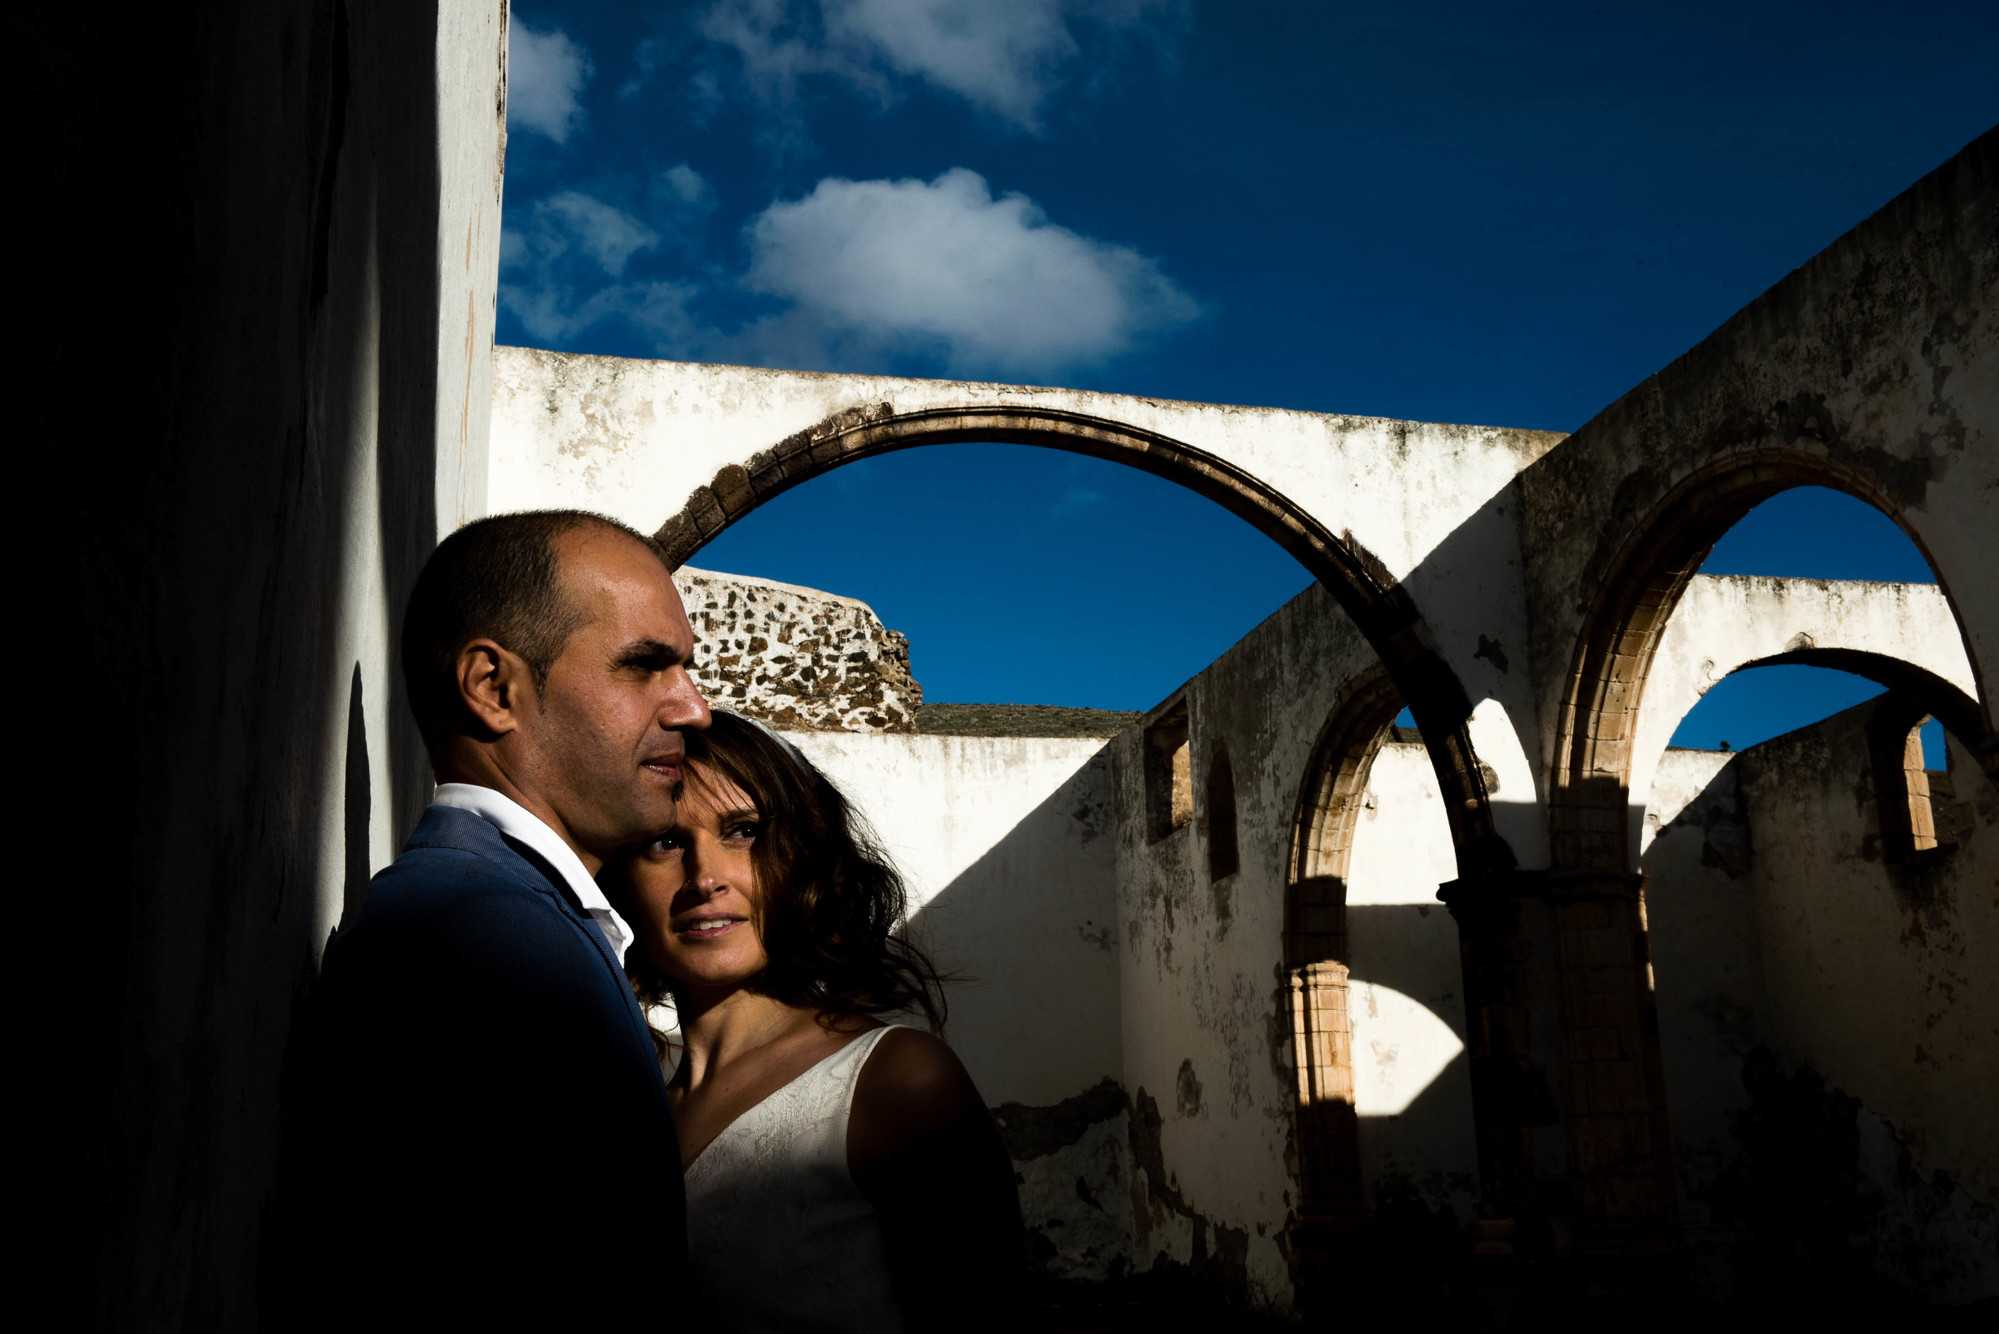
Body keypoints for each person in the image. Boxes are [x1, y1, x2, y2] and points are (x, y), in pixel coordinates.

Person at [274, 511, 711, 1330]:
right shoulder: (486, 939)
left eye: (685, 669)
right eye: (645, 667)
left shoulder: (506, 916)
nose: (694, 709)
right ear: (493, 689)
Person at [611, 710, 1023, 1332]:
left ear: (801, 856)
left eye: (743, 832)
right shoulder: (627, 1111)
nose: (705, 879)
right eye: (665, 843)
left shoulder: (898, 1082)